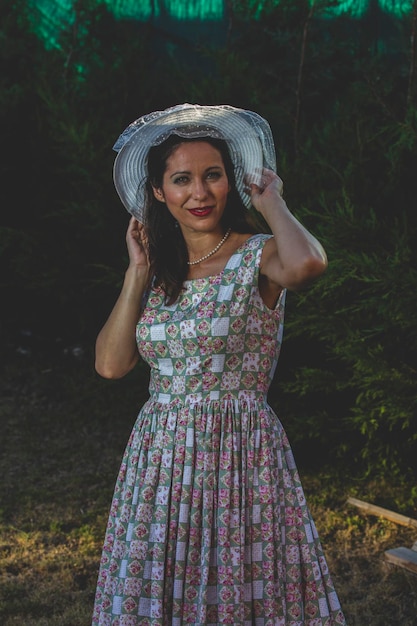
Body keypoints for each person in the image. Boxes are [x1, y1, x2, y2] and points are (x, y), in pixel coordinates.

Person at [92, 104, 346, 626]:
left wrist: (271, 200)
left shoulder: (260, 255)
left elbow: (309, 264)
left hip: (240, 452)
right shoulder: (159, 274)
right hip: (160, 460)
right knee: (162, 582)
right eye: (182, 180)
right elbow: (112, 366)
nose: (200, 194)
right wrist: (136, 275)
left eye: (213, 176)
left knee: (237, 585)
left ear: (231, 181)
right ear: (160, 193)